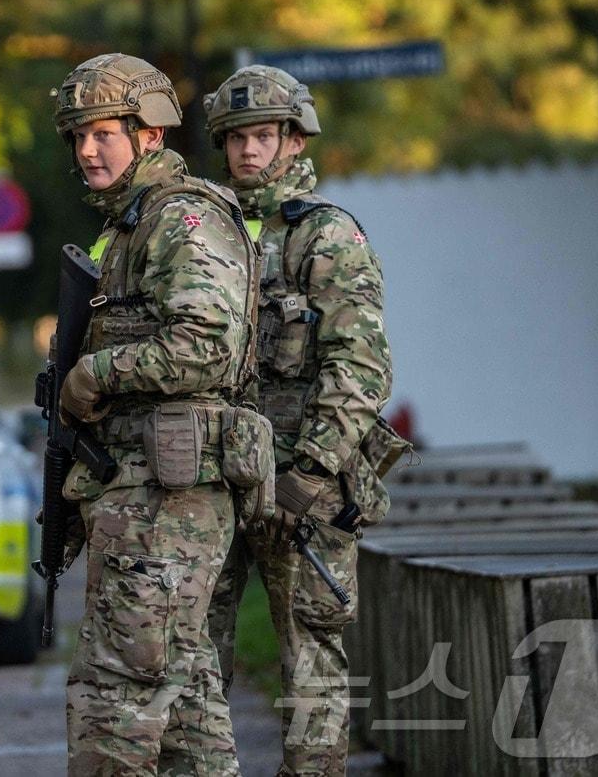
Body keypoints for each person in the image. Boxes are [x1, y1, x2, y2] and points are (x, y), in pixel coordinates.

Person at [52, 53, 267, 775]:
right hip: (145, 500)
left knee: (114, 698)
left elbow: (208, 342)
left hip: (167, 504)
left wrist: (97, 370)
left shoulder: (181, 217)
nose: (86, 150)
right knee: (187, 711)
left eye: (103, 132)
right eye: (76, 136)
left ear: (150, 133)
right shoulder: (132, 226)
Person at [202, 66, 396, 776]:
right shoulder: (205, 235)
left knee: (312, 663)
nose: (249, 152)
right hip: (215, 481)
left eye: (262, 136)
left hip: (303, 489)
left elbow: (361, 369)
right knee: (192, 653)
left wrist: (308, 474)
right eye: (236, 138)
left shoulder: (327, 236)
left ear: (291, 139)